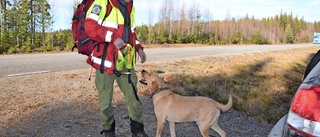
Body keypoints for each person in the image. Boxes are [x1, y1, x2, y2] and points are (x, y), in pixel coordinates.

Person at [84, 0, 148, 136]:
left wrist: (139, 48)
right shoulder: (102, 2)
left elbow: (131, 32)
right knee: (105, 102)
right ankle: (109, 131)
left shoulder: (131, 7)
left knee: (133, 97)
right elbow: (89, 25)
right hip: (105, 62)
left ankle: (138, 131)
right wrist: (112, 37)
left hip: (125, 61)